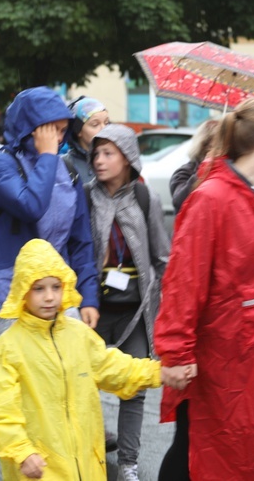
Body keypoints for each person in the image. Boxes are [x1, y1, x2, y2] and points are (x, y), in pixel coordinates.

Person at [154, 97, 254, 480]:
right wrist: (176, 351)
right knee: (201, 451)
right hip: (219, 356)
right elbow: (185, 279)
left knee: (245, 452)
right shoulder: (211, 198)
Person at [0, 238, 184, 481]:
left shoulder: (78, 335)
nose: (49, 297)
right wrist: (22, 452)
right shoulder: (8, 349)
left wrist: (158, 372)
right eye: (39, 288)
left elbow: (113, 367)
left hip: (87, 470)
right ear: (22, 290)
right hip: (40, 471)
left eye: (56, 287)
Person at [0, 86, 100, 345]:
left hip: (56, 293)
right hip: (4, 294)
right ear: (31, 127)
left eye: (63, 131)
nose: (59, 139)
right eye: (51, 130)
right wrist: (47, 156)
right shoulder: (0, 164)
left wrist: (88, 297)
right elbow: (31, 206)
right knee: (16, 379)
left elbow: (80, 241)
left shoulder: (67, 169)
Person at [85, 124, 170, 481]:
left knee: (133, 388)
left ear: (128, 158)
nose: (100, 161)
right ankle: (89, 456)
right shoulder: (86, 196)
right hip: (94, 310)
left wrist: (167, 308)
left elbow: (161, 255)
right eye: (96, 154)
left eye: (108, 154)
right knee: (84, 383)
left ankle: (129, 464)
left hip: (136, 311)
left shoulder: (144, 197)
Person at [169, 120, 217, 213]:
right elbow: (179, 201)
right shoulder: (184, 172)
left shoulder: (226, 170)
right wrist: (203, 171)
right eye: (219, 144)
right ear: (205, 146)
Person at [62, 96, 109, 183]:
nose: (104, 129)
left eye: (106, 123)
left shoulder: (116, 160)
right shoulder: (63, 166)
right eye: (95, 124)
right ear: (78, 131)